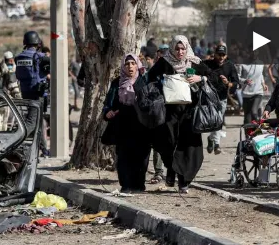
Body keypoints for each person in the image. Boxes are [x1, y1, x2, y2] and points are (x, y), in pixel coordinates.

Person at [146, 35, 224, 194]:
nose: (180, 52)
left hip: (190, 112)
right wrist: (162, 83)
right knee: (167, 143)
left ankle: (183, 181)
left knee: (187, 146)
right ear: (172, 48)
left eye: (183, 48)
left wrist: (200, 78)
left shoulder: (194, 62)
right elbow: (150, 78)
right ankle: (171, 171)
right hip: (169, 112)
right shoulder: (165, 62)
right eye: (177, 48)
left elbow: (215, 78)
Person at [102, 54, 148, 193]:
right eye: (127, 64)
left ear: (137, 65)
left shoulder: (144, 81)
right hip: (122, 123)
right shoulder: (117, 83)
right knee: (123, 155)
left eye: (133, 63)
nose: (130, 66)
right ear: (123, 66)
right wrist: (108, 112)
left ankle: (139, 184)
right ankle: (126, 184)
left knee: (141, 155)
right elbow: (108, 103)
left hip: (142, 124)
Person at [15, 31, 50, 157]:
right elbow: (52, 63)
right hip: (38, 94)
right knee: (31, 122)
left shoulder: (19, 57)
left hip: (25, 92)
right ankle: (14, 142)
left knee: (38, 122)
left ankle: (43, 149)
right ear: (37, 42)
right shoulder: (39, 57)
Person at [204, 45, 239, 155]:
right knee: (213, 121)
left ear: (226, 56)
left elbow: (236, 82)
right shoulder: (207, 64)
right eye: (219, 55)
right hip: (209, 97)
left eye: (223, 55)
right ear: (215, 54)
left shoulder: (230, 66)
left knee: (218, 120)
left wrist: (228, 83)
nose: (221, 57)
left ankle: (215, 142)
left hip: (222, 98)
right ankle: (214, 141)